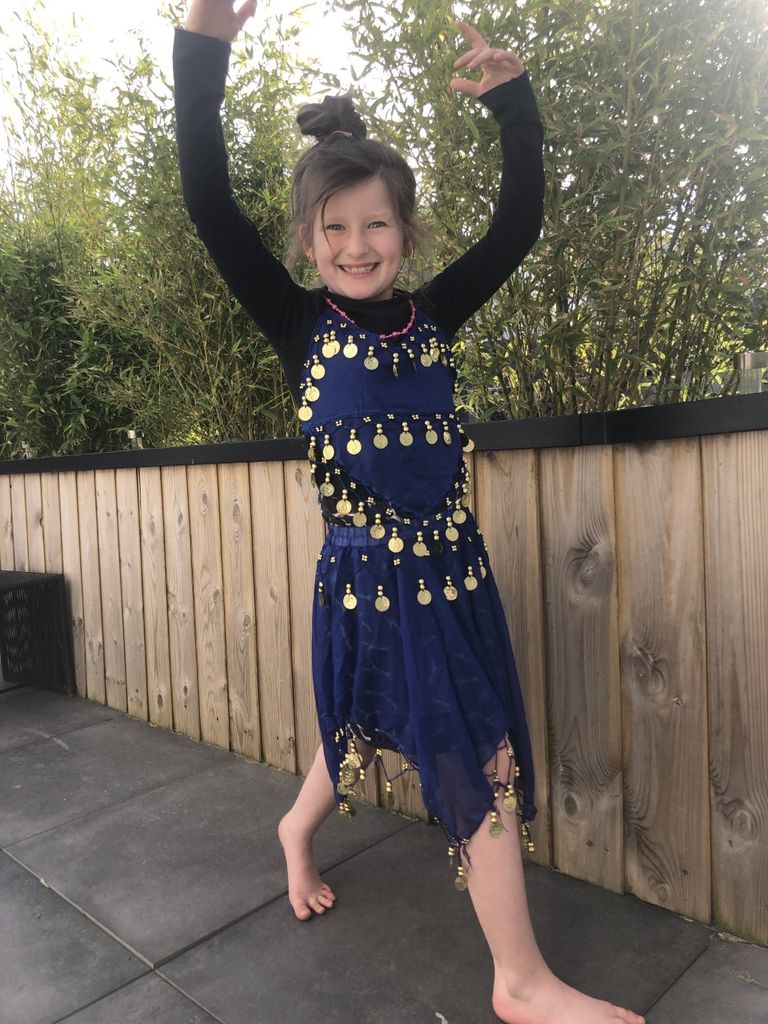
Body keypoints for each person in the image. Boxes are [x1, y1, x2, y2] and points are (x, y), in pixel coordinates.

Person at [174, 3, 645, 1021]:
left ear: (406, 231)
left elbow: (517, 226)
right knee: (475, 755)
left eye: (376, 224)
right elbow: (208, 201)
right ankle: (519, 982)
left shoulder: (436, 316)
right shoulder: (298, 325)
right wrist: (203, 45)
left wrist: (516, 106)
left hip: (455, 580)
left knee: (358, 726)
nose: (357, 245)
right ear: (308, 239)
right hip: (368, 581)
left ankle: (295, 830)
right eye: (334, 228)